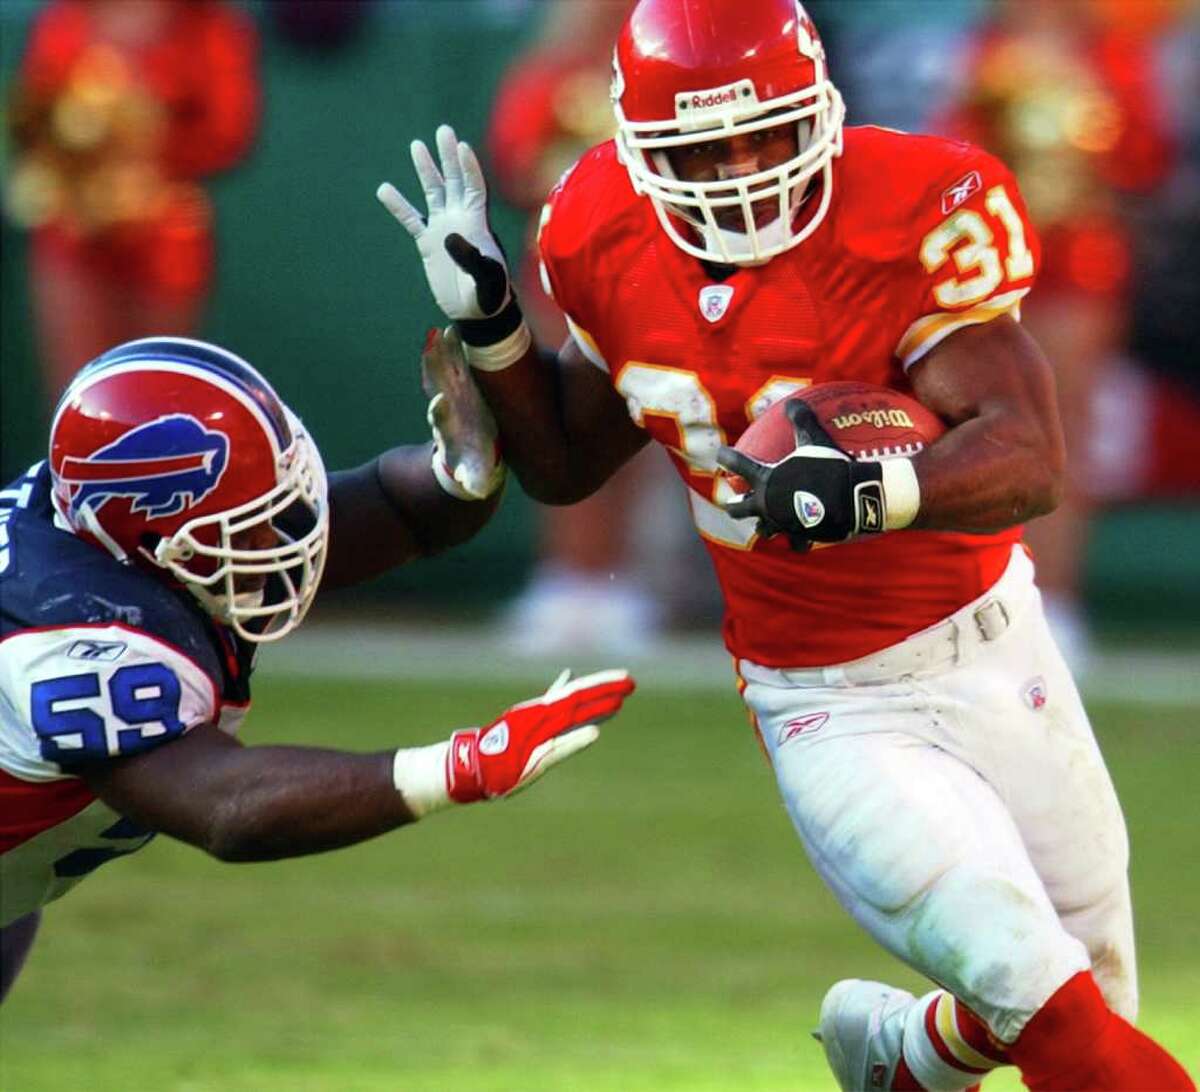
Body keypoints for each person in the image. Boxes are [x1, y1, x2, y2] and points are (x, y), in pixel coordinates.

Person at [376, 1, 1193, 1089]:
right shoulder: (601, 229)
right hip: (830, 700)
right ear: (638, 149)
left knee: (1082, 981)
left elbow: (1030, 456)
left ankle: (911, 1060)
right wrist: (496, 330)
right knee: (1049, 1003)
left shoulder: (912, 206)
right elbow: (568, 462)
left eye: (768, 131)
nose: (742, 169)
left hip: (1000, 647)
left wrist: (874, 492)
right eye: (703, 145)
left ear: (822, 106)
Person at [0, 333, 636, 1003]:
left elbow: (388, 511)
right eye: (248, 526)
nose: (279, 539)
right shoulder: (66, 637)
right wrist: (458, 768)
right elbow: (224, 805)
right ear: (155, 534)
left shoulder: (104, 524)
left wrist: (458, 475)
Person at [5, 0, 259, 404]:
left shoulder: (211, 26)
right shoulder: (66, 17)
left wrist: (145, 158)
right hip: (72, 239)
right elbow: (36, 116)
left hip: (167, 241)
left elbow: (230, 134)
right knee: (77, 398)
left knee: (157, 397)